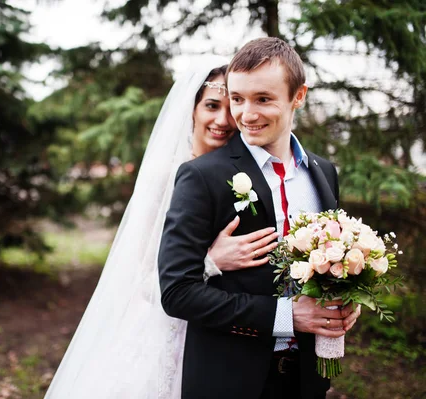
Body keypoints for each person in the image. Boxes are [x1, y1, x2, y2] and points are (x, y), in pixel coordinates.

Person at [43, 56, 279, 399]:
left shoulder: (245, 177)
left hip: (225, 334)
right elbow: (142, 284)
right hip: (164, 331)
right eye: (211, 106)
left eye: (232, 108)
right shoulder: (163, 178)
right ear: (193, 110)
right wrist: (211, 261)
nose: (223, 120)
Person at [158, 37, 361, 399]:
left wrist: (346, 300)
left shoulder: (324, 173)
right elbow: (177, 292)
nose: (246, 115)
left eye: (263, 99)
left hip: (306, 380)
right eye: (238, 99)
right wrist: (286, 317)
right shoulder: (202, 176)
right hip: (229, 381)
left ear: (298, 95)